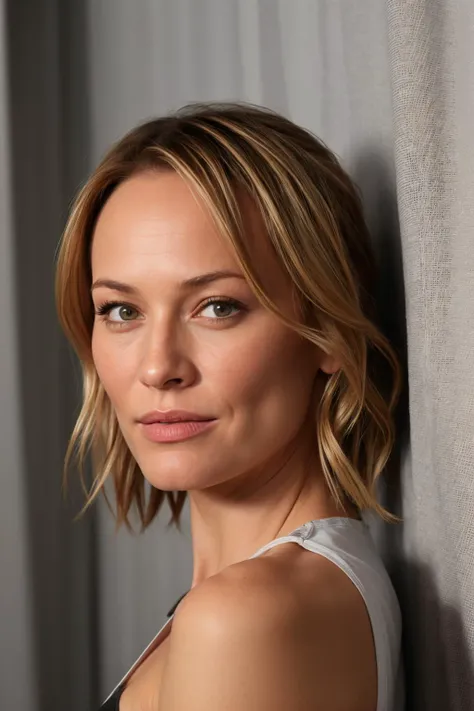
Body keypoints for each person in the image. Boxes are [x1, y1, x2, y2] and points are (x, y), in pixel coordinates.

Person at [55, 102, 404, 711]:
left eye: (218, 306)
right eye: (121, 310)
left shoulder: (245, 619)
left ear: (327, 330)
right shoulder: (263, 597)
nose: (159, 367)